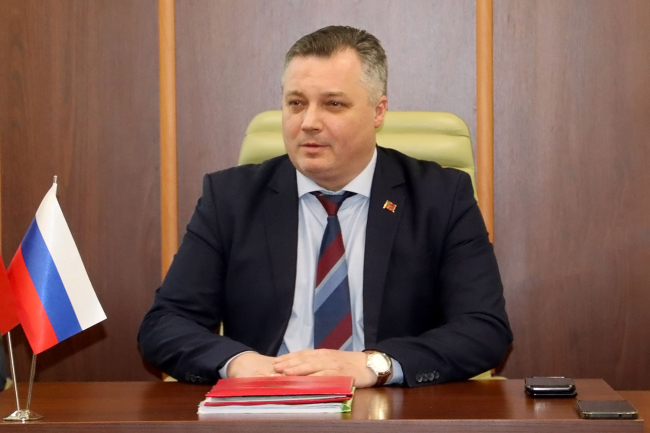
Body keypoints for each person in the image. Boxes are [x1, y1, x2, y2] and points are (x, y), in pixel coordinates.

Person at [138, 25, 512, 388]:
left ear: (378, 111)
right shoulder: (230, 198)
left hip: (388, 408)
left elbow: (484, 329)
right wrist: (238, 363)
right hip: (268, 406)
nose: (309, 123)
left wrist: (375, 364)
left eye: (333, 104)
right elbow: (164, 325)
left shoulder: (440, 197)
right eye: (296, 103)